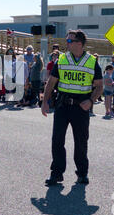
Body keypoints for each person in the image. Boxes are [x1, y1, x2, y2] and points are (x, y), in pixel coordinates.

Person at [41, 30, 103, 186]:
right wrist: (45, 101)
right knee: (57, 140)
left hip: (81, 107)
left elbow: (100, 86)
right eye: (67, 40)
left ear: (79, 43)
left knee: (81, 142)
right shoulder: (62, 59)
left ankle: (82, 173)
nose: (66, 43)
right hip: (62, 105)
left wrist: (91, 100)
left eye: (69, 41)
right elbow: (52, 82)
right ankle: (56, 173)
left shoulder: (91, 61)